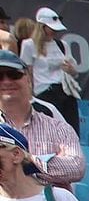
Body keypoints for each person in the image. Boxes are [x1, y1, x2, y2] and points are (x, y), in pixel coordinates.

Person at [0, 51, 84, 188]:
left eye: (14, 75)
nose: (6, 81)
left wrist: (28, 161)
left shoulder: (56, 126)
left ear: (28, 79)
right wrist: (46, 164)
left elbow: (76, 167)